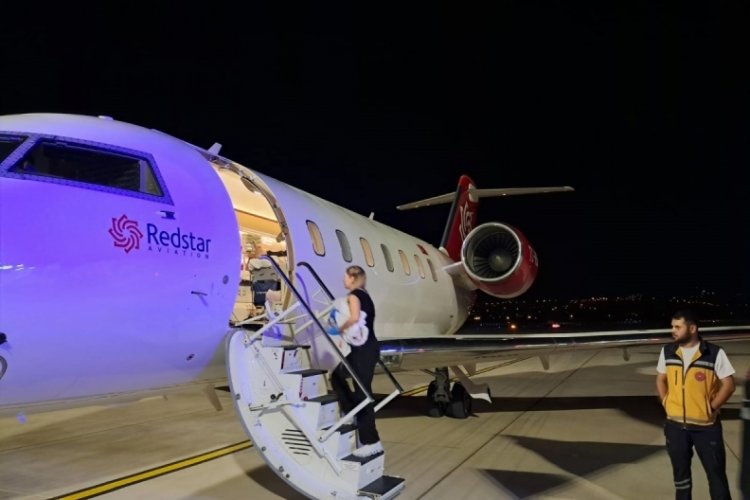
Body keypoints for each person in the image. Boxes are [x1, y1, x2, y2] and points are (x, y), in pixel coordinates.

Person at [656, 309, 736, 500]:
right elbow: (660, 378)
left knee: (716, 478)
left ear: (692, 328)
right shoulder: (668, 351)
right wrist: (666, 402)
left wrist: (712, 408)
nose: (673, 331)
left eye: (678, 327)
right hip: (675, 427)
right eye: (672, 326)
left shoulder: (713, 353)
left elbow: (729, 385)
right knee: (681, 479)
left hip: (706, 428)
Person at [328, 265, 383, 458]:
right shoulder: (365, 295)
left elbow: (354, 318)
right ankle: (351, 410)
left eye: (345, 277)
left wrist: (339, 328)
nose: (343, 280)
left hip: (364, 352)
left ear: (352, 278)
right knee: (337, 375)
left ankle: (372, 442)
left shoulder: (354, 296)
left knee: (363, 394)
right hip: (365, 349)